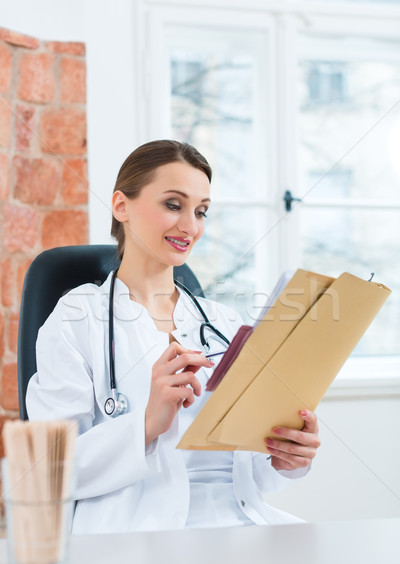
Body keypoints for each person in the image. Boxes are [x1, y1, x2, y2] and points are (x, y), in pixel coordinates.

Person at [27, 139, 320, 534]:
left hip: (241, 525)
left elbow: (251, 472)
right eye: (173, 204)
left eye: (201, 211)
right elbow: (51, 469)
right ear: (121, 206)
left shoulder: (224, 323)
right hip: (138, 534)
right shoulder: (76, 320)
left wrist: (284, 457)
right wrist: (147, 423)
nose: (191, 226)